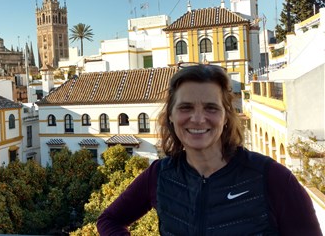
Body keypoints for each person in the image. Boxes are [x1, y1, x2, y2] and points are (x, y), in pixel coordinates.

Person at [97, 63, 322, 236]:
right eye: (185, 108)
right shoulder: (160, 175)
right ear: (171, 117)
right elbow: (109, 220)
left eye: (211, 108)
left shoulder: (272, 178)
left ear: (226, 117)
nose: (197, 118)